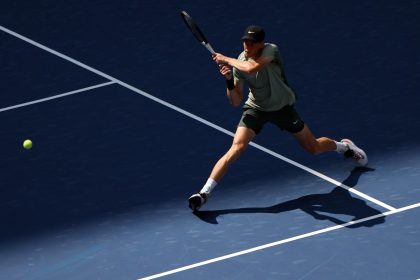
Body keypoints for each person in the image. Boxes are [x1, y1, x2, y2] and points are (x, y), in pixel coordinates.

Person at [188, 25, 368, 211]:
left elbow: (252, 68)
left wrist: (226, 59)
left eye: (251, 42)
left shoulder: (270, 50)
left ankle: (344, 147)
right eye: (244, 41)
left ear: (261, 44)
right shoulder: (239, 62)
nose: (246, 45)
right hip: (256, 108)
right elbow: (235, 101)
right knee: (236, 148)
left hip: (282, 108)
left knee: (313, 148)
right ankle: (203, 194)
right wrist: (228, 81)